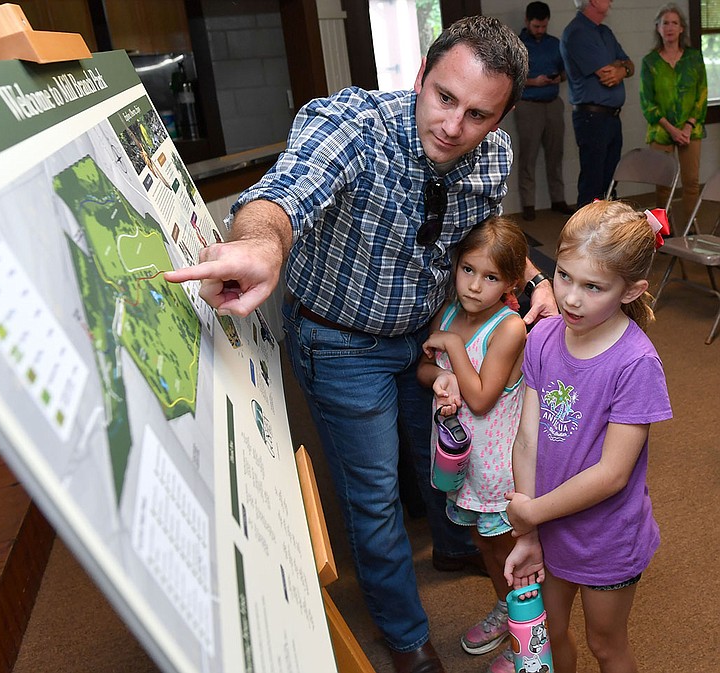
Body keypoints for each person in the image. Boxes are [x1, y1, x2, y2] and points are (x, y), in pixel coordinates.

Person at [165, 16, 558, 673]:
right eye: (443, 97)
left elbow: (487, 229)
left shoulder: (494, 155)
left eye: (479, 113)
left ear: (503, 117)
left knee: (441, 453)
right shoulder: (353, 124)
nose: (454, 125)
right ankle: (406, 639)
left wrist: (535, 276)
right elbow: (281, 197)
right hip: (342, 344)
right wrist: (263, 242)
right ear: (421, 78)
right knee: (375, 497)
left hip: (428, 333)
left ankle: (454, 546)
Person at [504, 200, 672, 673]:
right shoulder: (540, 338)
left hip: (606, 540)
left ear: (631, 290)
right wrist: (531, 529)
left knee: (606, 645)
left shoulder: (636, 363)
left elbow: (613, 474)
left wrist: (530, 511)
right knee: (550, 635)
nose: (572, 298)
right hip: (548, 527)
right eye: (564, 277)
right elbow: (528, 435)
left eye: (593, 286)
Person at [417, 217, 527, 673]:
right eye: (468, 270)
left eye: (491, 277)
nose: (475, 286)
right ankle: (507, 611)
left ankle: (526, 638)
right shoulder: (448, 313)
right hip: (465, 465)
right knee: (484, 544)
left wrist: (452, 350)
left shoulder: (509, 328)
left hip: (498, 468)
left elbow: (481, 398)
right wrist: (441, 374)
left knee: (511, 553)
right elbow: (426, 371)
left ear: (512, 283)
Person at [561, 0, 635, 208]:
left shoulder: (605, 32)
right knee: (593, 183)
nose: (611, 0)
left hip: (611, 117)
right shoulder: (577, 32)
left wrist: (622, 69)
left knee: (610, 182)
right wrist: (620, 67)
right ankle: (585, 236)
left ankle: (608, 234)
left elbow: (629, 64)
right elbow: (606, 74)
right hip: (592, 118)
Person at [640, 3, 707, 222]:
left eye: (674, 23)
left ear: (681, 29)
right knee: (663, 184)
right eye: (665, 23)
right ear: (658, 28)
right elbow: (647, 103)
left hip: (691, 130)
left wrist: (686, 126)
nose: (669, 27)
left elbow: (701, 95)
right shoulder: (650, 62)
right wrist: (671, 129)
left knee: (691, 183)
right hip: (661, 131)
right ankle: (663, 228)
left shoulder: (694, 58)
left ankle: (689, 227)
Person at [516, 2, 574, 222]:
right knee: (528, 156)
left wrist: (559, 78)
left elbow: (566, 70)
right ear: (527, 22)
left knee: (555, 153)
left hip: (552, 103)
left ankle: (558, 199)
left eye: (543, 26)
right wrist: (533, 81)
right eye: (536, 26)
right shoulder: (518, 45)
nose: (540, 30)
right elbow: (511, 79)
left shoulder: (555, 44)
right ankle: (528, 203)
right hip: (528, 105)